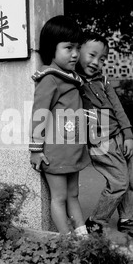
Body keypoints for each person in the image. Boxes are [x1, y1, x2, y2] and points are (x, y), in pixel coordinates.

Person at [75, 31, 133, 239]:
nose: (97, 62)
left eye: (102, 58)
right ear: (78, 51)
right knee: (119, 182)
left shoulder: (102, 81)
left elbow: (118, 108)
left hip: (118, 137)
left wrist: (128, 135)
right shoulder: (73, 81)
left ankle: (126, 219)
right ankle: (96, 221)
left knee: (128, 181)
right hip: (99, 141)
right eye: (92, 55)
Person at [29, 15, 90, 236]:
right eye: (68, 48)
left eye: (77, 48)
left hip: (72, 150)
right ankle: (67, 244)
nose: (75, 54)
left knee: (73, 195)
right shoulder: (50, 79)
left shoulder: (71, 78)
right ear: (51, 49)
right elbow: (39, 114)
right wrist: (35, 150)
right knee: (60, 197)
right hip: (55, 152)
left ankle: (83, 238)